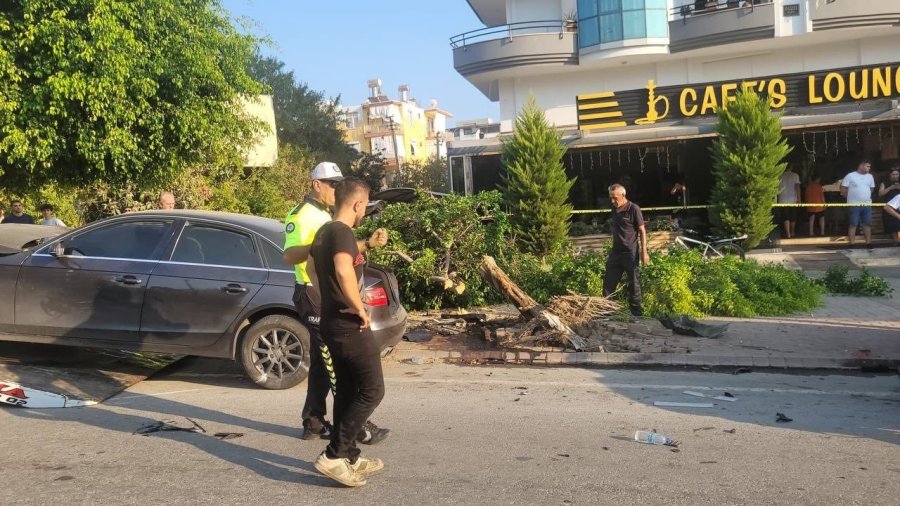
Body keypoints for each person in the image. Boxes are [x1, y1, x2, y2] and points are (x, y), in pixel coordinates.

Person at [282, 162, 390, 446]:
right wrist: (319, 245)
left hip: (326, 292)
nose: (335, 188)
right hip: (313, 293)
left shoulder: (329, 217)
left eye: (338, 184)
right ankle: (357, 427)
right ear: (317, 185)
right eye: (331, 184)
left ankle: (314, 421)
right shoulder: (303, 215)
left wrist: (365, 243)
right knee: (338, 365)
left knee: (321, 360)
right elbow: (290, 256)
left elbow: (341, 256)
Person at [308, 177, 385, 487]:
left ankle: (350, 455)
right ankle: (334, 455)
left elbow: (314, 268)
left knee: (349, 389)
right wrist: (357, 306)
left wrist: (335, 298)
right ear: (357, 205)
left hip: (331, 320)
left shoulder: (325, 231)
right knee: (372, 390)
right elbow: (342, 269)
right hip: (347, 323)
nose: (364, 210)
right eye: (365, 205)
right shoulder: (341, 232)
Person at [603, 184, 649, 318]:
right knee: (608, 284)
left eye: (615, 198)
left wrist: (644, 252)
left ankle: (637, 315)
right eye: (610, 198)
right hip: (616, 252)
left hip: (630, 253)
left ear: (623, 195)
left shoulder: (633, 209)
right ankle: (607, 314)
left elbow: (642, 231)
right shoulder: (614, 208)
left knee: (633, 284)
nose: (612, 201)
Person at [840, 159, 876, 248]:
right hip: (854, 204)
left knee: (867, 223)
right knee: (853, 224)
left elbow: (871, 188)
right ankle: (852, 243)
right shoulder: (850, 176)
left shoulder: (870, 176)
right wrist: (849, 198)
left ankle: (868, 243)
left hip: (867, 204)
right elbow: (844, 189)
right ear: (861, 166)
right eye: (867, 166)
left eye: (869, 166)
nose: (869, 168)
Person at [777, 167, 801, 238]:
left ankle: (788, 233)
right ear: (791, 168)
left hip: (782, 199)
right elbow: (797, 187)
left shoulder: (779, 175)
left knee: (785, 216)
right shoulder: (795, 175)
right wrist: (799, 199)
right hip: (792, 198)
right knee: (793, 216)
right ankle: (792, 231)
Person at [880, 168, 900, 245]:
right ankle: (896, 241)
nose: (895, 176)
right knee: (891, 224)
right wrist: (890, 188)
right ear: (890, 175)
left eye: (897, 174)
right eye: (893, 174)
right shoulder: (885, 183)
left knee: (898, 225)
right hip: (889, 206)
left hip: (899, 205)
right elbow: (880, 194)